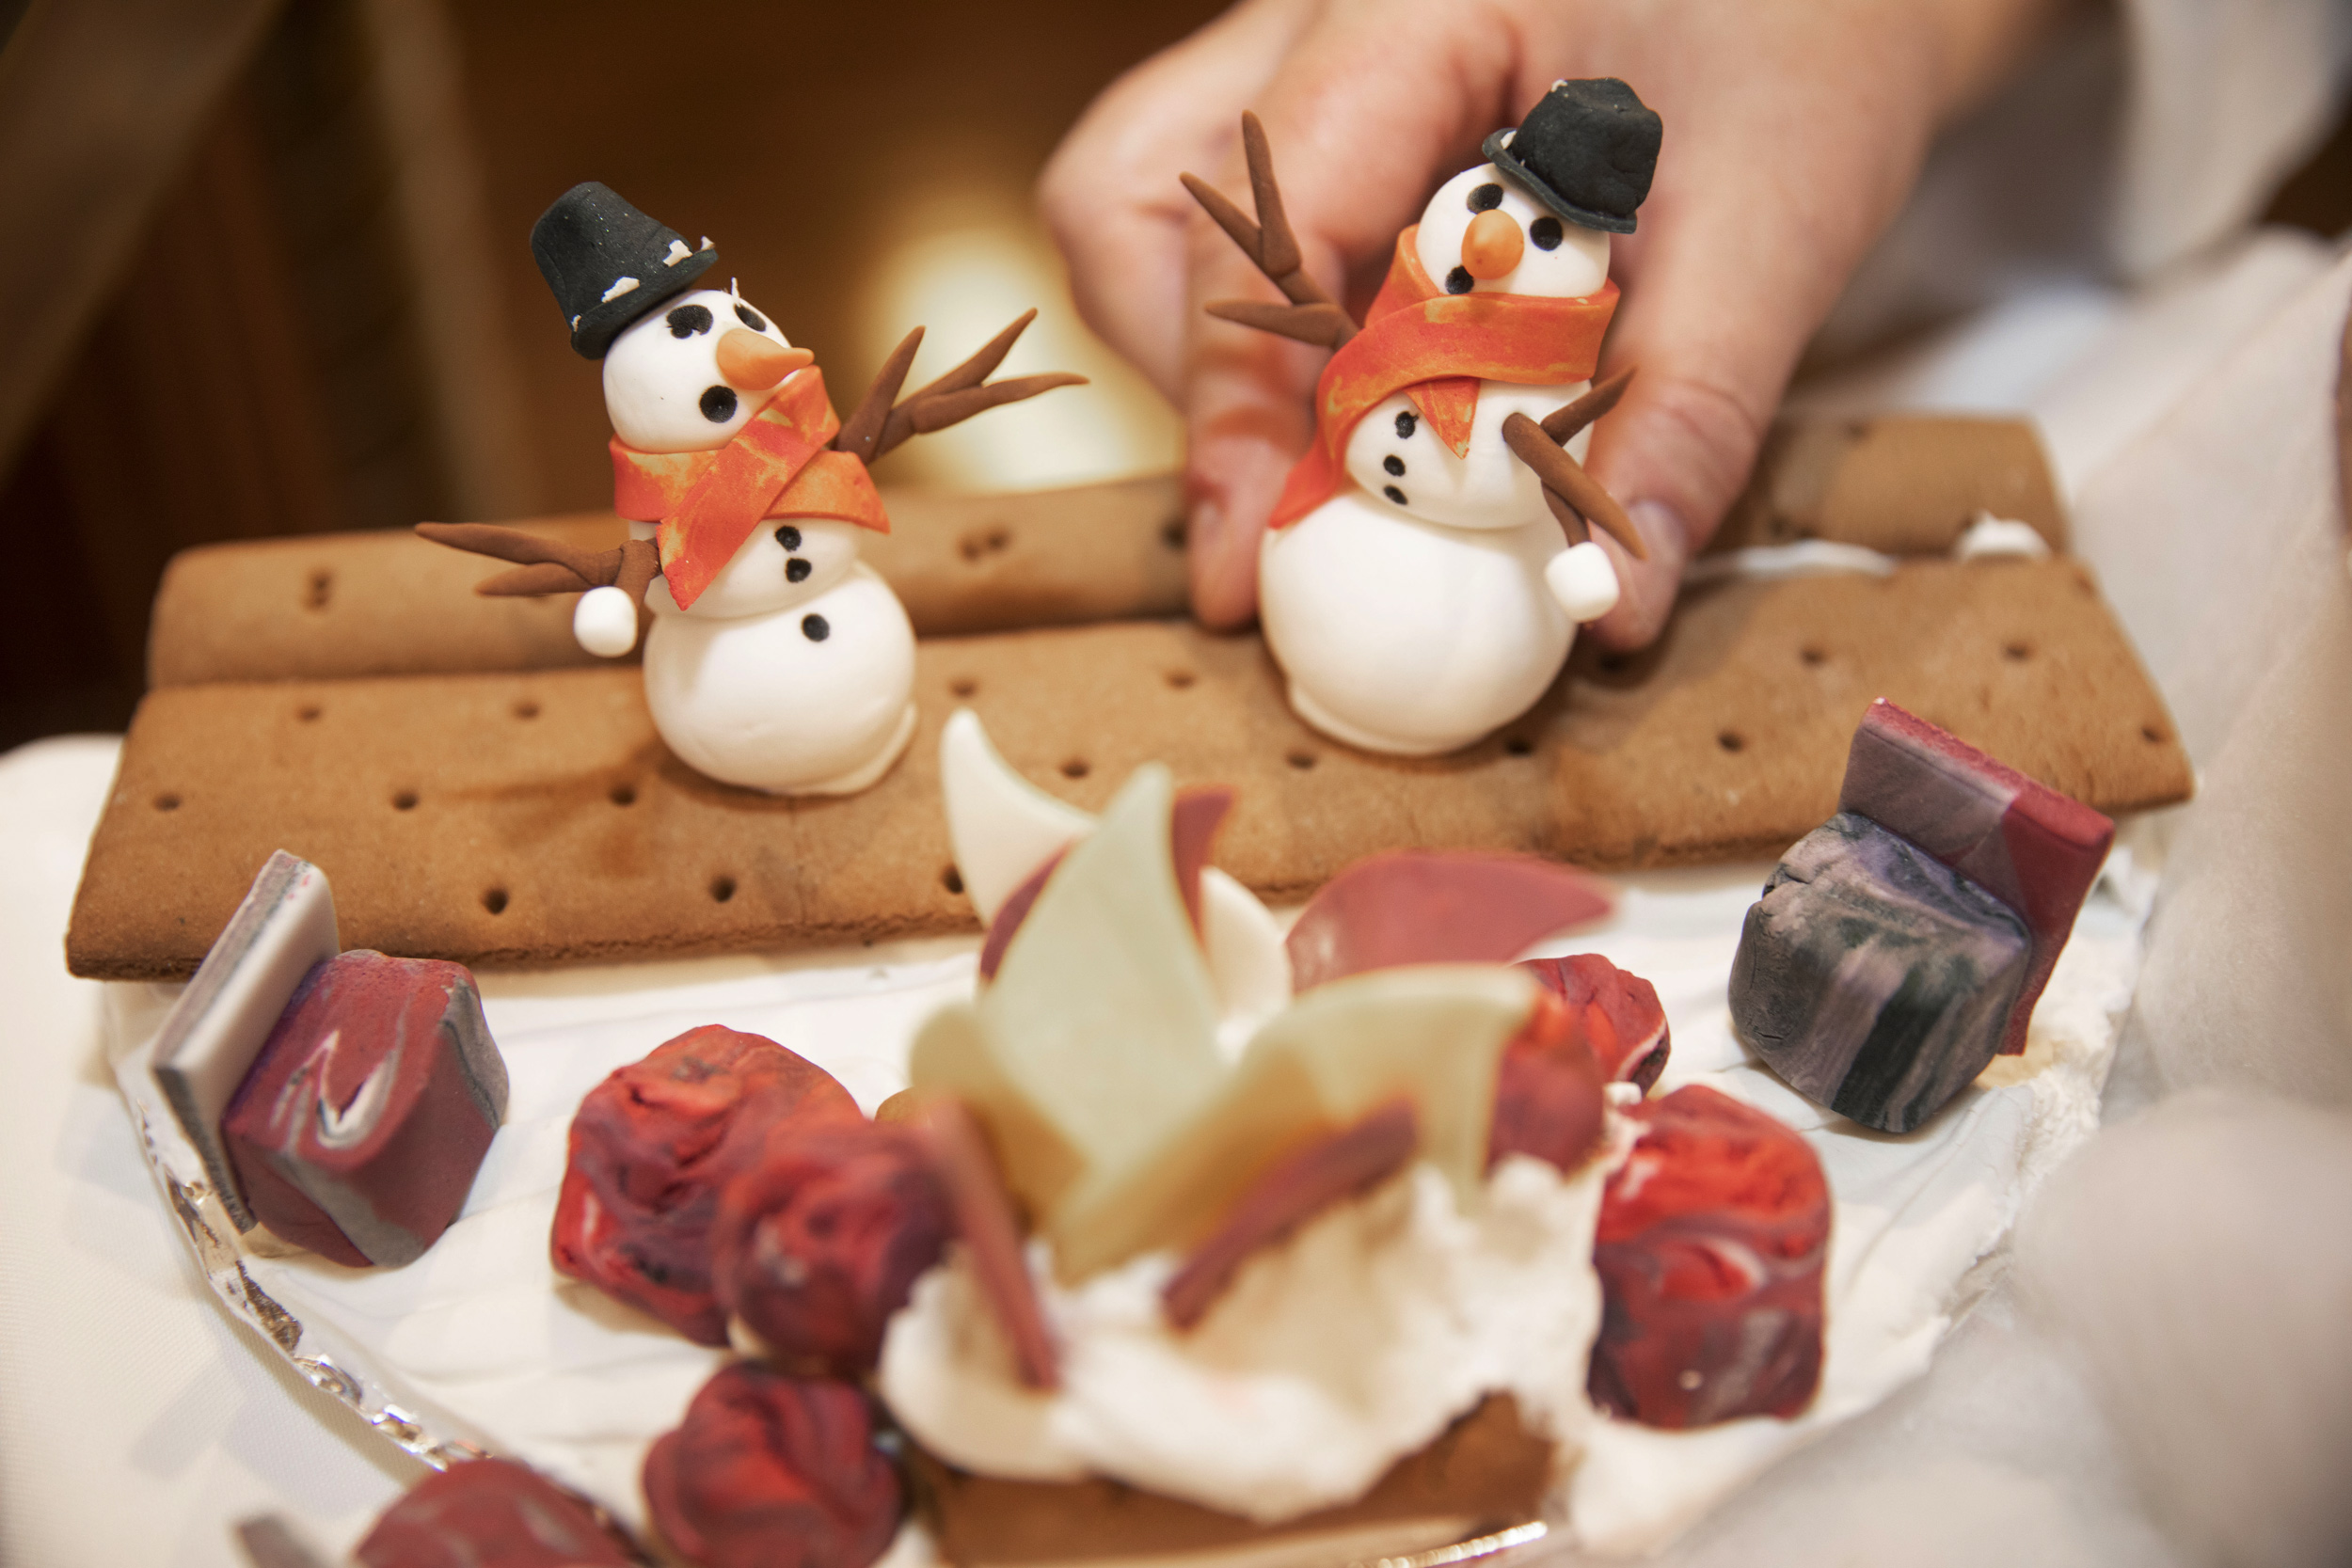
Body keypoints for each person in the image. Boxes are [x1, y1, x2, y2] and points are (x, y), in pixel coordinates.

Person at [1037, 0, 2344, 647]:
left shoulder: (1547, 415)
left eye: (1541, 230)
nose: (1493, 242)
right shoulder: (1390, 329)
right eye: (1495, 202)